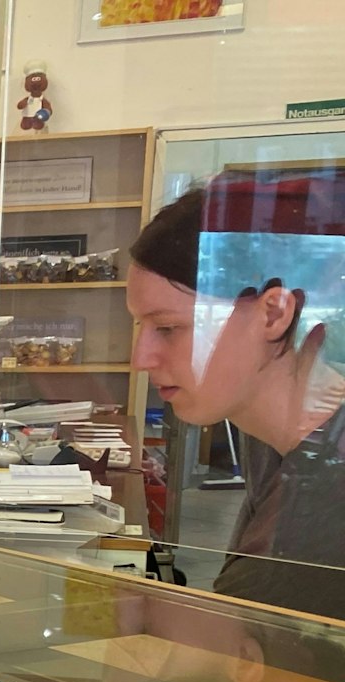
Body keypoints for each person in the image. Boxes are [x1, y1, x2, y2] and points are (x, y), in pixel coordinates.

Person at [127, 171, 345, 622]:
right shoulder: (269, 439)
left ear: (273, 313)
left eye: (168, 328)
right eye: (140, 327)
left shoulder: (325, 508)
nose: (142, 358)